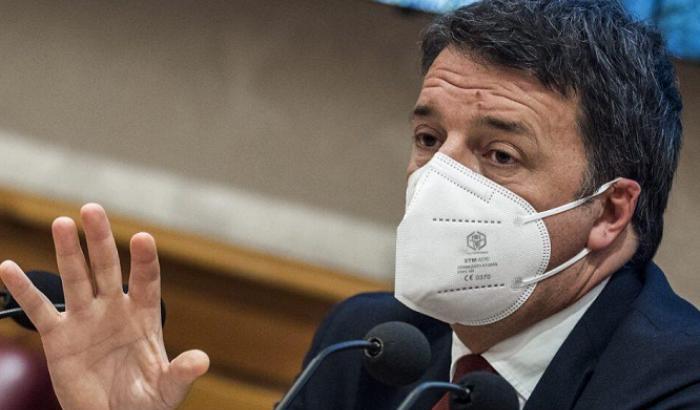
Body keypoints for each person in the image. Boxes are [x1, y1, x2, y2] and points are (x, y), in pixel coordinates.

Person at [0, 0, 697, 409]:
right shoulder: (370, 341)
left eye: (499, 155)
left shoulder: (676, 388)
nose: (439, 179)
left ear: (611, 212)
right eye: (429, 140)